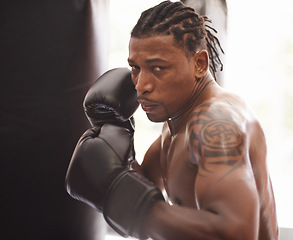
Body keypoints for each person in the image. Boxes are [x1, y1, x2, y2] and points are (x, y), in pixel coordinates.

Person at [65, 1, 279, 239]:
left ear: (199, 64)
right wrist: (112, 134)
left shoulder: (215, 123)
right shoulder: (176, 121)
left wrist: (122, 197)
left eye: (158, 68)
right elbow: (143, 194)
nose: (141, 86)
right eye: (135, 67)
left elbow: (237, 233)